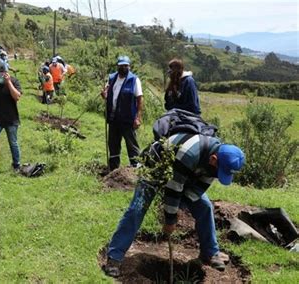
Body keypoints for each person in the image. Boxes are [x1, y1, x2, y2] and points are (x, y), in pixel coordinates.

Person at [102, 133, 246, 277]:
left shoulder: (216, 162)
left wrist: (178, 209)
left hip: (185, 176)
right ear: (213, 159)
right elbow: (173, 188)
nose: (218, 175)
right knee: (137, 209)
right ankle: (115, 257)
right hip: (155, 169)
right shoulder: (190, 153)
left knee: (205, 207)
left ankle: (210, 252)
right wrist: (170, 219)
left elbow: (197, 190)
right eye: (219, 172)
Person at [100, 55, 143, 171]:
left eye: (125, 66)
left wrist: (138, 117)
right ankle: (114, 169)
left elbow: (139, 99)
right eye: (121, 66)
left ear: (129, 66)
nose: (123, 68)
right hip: (113, 118)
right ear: (117, 66)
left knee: (131, 144)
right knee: (113, 144)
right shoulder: (112, 78)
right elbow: (108, 95)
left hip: (128, 119)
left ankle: (136, 168)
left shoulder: (134, 80)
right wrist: (105, 96)